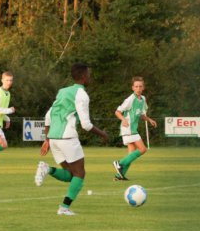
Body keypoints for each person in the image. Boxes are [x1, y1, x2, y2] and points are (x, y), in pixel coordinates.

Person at [34, 63, 108, 216]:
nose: (90, 77)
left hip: (54, 138)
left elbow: (48, 116)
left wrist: (47, 139)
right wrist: (103, 134)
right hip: (67, 138)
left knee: (70, 174)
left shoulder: (62, 91)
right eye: (89, 75)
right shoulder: (82, 94)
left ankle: (48, 169)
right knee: (80, 174)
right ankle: (64, 208)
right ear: (83, 77)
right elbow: (86, 125)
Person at [112, 76, 157, 181]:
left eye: (140, 86)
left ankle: (119, 176)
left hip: (132, 129)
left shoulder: (143, 99)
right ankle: (119, 163)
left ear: (143, 87)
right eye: (136, 86)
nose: (138, 88)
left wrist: (149, 119)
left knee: (131, 154)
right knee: (143, 149)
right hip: (128, 128)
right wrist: (123, 119)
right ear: (132, 88)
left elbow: (141, 115)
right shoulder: (130, 99)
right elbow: (117, 112)